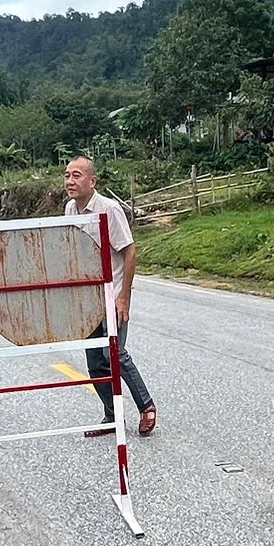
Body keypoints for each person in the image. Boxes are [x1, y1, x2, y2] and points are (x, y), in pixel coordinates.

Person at [62, 154, 158, 437]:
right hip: (87, 299)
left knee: (113, 352)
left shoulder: (109, 209)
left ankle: (147, 407)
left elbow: (129, 251)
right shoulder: (70, 210)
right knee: (94, 360)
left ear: (92, 181)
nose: (70, 181)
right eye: (67, 175)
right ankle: (111, 416)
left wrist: (124, 296)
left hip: (112, 293)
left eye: (77, 175)